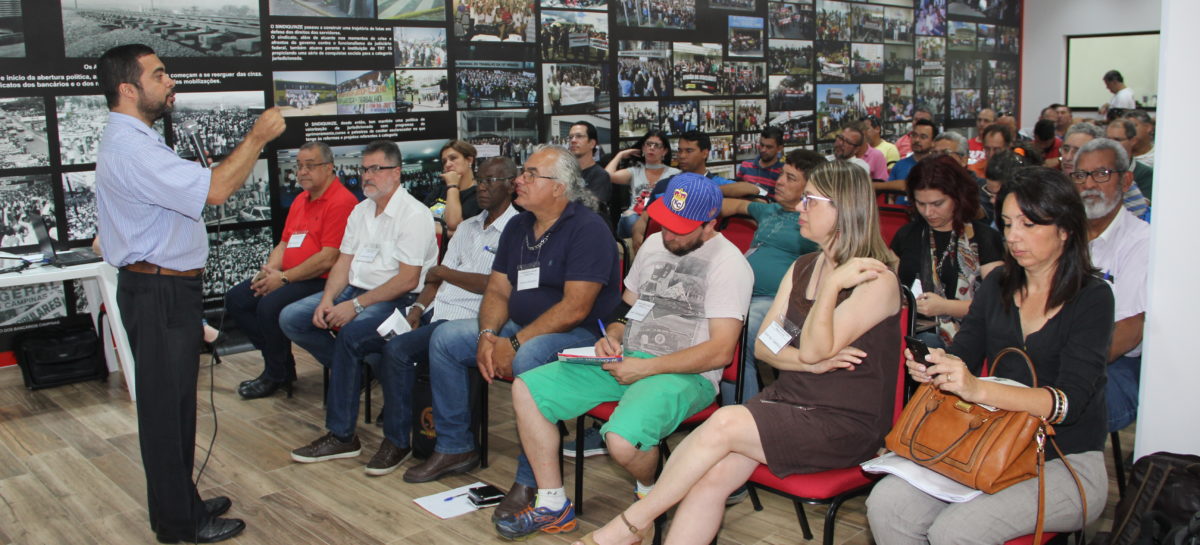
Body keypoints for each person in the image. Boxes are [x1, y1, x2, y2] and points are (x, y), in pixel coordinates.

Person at [571, 160, 901, 545]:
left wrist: (829, 291)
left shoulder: (876, 280)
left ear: (844, 208)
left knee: (725, 423)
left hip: (841, 421)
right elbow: (765, 346)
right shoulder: (803, 266)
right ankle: (633, 526)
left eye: (811, 200)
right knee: (708, 480)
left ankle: (630, 526)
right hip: (788, 402)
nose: (799, 206)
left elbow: (812, 348)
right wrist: (809, 364)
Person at [95, 44, 285, 543]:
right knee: (165, 411)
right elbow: (217, 190)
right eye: (159, 75)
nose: (170, 81)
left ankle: (182, 502)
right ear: (128, 89)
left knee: (176, 405)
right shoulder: (133, 147)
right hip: (159, 291)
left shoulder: (134, 140)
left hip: (161, 288)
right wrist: (257, 137)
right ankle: (180, 523)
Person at [495, 173, 753, 540]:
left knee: (621, 441)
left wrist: (644, 368)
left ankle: (650, 497)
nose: (668, 235)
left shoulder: (730, 265)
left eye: (680, 230)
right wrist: (613, 334)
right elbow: (624, 307)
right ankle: (552, 504)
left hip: (685, 373)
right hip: (626, 359)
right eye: (665, 224)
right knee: (527, 389)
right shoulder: (654, 245)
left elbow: (720, 352)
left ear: (711, 223)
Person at [867, 166, 1113, 545]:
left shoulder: (1092, 297)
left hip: (1064, 457)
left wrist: (977, 389)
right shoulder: (998, 284)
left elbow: (1068, 404)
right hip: (987, 440)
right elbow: (963, 354)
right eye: (1008, 223)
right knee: (887, 505)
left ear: (1065, 228)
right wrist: (937, 366)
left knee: (957, 531)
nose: (1012, 236)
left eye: (1028, 224)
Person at [402, 145, 621, 522]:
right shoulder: (519, 226)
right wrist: (488, 334)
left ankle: (532, 478)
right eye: (523, 172)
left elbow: (575, 308)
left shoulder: (588, 229)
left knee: (529, 357)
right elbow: (498, 290)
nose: (520, 179)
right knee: (446, 340)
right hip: (520, 326)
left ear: (559, 187)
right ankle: (455, 447)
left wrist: (515, 342)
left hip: (582, 336)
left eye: (531, 174)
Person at [345, 157, 519, 476]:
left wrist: (445, 273)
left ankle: (397, 440)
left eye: (490, 181)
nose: (482, 187)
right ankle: (360, 426)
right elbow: (433, 280)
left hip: (468, 321)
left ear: (510, 185)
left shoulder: (516, 229)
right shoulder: (466, 226)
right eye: (480, 180)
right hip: (434, 312)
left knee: (398, 351)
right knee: (361, 337)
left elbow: (495, 284)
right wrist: (416, 310)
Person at [283, 140, 439, 465]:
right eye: (364, 169)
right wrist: (328, 299)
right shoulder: (361, 210)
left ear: (396, 173)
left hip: (401, 299)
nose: (367, 176)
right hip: (355, 289)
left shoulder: (414, 214)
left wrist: (355, 307)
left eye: (375, 169)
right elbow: (344, 262)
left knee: (352, 337)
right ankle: (364, 370)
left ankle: (342, 435)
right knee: (294, 317)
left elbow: (408, 279)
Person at [227, 141, 357, 399]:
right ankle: (279, 364)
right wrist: (270, 270)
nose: (302, 172)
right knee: (237, 299)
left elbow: (328, 258)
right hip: (288, 276)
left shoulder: (342, 201)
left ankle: (277, 374)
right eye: (299, 166)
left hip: (322, 280)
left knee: (269, 306)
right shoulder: (300, 199)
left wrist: (284, 278)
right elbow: (285, 242)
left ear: (329, 168)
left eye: (310, 166)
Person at [720, 149, 825, 404]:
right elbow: (730, 205)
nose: (779, 182)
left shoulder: (817, 222)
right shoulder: (770, 211)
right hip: (741, 296)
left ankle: (744, 413)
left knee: (737, 336)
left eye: (791, 178)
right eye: (781, 175)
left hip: (779, 305)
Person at [1070, 138, 1149, 434]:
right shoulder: (1061, 234)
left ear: (1126, 180)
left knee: (1057, 406)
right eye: (1081, 175)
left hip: (1113, 364)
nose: (1089, 184)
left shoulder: (1141, 241)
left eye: (1102, 174)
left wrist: (1063, 366)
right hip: (1055, 350)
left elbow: (1128, 332)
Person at [891, 155, 1004, 349]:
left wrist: (945, 307)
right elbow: (890, 285)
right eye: (920, 204)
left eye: (937, 204)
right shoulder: (906, 235)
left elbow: (997, 304)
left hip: (968, 341)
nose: (928, 212)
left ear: (958, 197)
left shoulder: (983, 238)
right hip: (910, 336)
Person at [605, 130, 680, 239]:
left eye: (657, 145)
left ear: (664, 151)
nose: (651, 148)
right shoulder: (635, 171)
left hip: (660, 219)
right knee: (631, 218)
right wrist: (620, 155)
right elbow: (606, 176)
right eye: (648, 144)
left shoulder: (675, 174)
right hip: (634, 218)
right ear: (643, 148)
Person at [425, 140, 482, 233]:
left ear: (469, 160)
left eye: (453, 158)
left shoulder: (480, 194)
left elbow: (454, 225)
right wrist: (447, 233)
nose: (447, 164)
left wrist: (452, 186)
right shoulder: (439, 190)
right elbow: (420, 221)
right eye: (444, 161)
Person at [1105, 119, 1154, 215]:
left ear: (1133, 141)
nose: (1110, 144)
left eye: (1117, 140)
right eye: (1108, 139)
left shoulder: (1145, 173)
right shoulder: (1096, 169)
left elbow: (1139, 210)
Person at [568, 121, 612, 205]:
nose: (573, 140)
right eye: (570, 137)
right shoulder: (564, 172)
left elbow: (591, 207)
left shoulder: (600, 176)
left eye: (579, 136)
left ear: (592, 143)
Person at [735, 126, 785, 197]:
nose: (763, 150)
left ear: (779, 148)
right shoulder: (745, 165)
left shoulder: (783, 172)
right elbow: (735, 190)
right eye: (762, 145)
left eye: (769, 147)